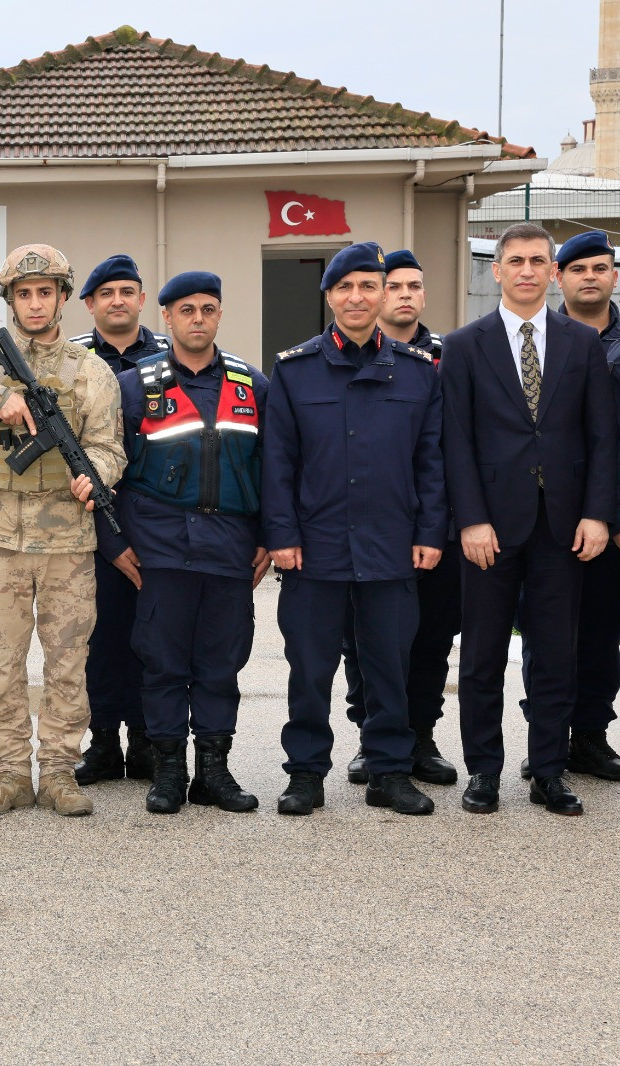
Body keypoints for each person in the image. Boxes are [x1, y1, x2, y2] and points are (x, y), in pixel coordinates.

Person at [0, 244, 126, 817]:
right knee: (2, 659)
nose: (35, 304)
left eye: (45, 293)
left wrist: (96, 474)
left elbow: (110, 447)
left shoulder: (91, 371)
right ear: (10, 299)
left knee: (67, 661)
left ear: (63, 297)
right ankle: (10, 770)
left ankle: (59, 770)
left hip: (67, 540)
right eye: (24, 294)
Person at [264, 242, 446, 818]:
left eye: (369, 286)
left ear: (384, 293)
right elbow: (277, 462)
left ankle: (389, 772)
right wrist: (282, 535)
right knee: (310, 667)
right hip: (315, 546)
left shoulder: (417, 371)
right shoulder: (294, 370)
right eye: (345, 287)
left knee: (389, 664)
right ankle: (306, 774)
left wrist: (430, 531)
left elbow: (431, 461)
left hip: (391, 543)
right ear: (329, 296)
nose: (357, 297)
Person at [443, 222, 617, 816]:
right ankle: (483, 771)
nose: (526, 270)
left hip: (562, 527)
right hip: (489, 527)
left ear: (552, 271)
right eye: (514, 260)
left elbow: (602, 437)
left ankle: (548, 770)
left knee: (556, 654)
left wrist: (597, 514)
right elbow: (456, 441)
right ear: (496, 270)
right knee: (482, 656)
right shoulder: (464, 345)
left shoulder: (581, 343)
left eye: (537, 260)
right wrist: (470, 519)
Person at [107, 271, 269, 814]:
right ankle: (170, 771)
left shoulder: (253, 385)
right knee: (163, 664)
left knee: (221, 664)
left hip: (229, 550)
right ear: (167, 317)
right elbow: (105, 473)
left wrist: (271, 537)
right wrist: (113, 544)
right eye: (186, 310)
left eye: (207, 309)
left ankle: (214, 773)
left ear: (219, 314)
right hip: (160, 552)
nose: (198, 319)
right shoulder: (133, 386)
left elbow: (276, 467)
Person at [339, 249, 460, 788]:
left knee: (431, 638)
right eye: (395, 286)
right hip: (369, 527)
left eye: (415, 285)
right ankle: (373, 738)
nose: (405, 294)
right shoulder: (348, 356)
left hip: (436, 525)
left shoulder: (450, 356)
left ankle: (421, 736)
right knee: (363, 641)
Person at [511, 231, 620, 782]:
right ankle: (547, 737)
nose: (590, 277)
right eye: (578, 269)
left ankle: (591, 737)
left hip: (609, 519)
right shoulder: (539, 340)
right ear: (560, 277)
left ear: (614, 276)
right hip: (549, 516)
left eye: (600, 268)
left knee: (601, 632)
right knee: (545, 631)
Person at [73, 254, 169, 786]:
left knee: (153, 638)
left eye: (127, 291)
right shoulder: (73, 359)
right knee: (101, 640)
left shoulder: (170, 358)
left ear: (141, 300)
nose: (117, 301)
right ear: (90, 304)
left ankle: (148, 741)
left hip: (155, 519)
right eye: (106, 293)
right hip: (89, 523)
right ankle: (105, 742)